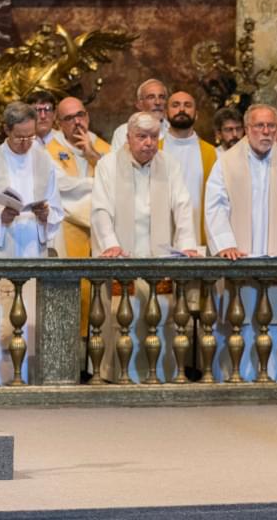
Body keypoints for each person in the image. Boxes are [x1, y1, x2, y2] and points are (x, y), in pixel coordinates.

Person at [205, 104, 277, 381]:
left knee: (275, 319)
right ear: (247, 129)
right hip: (238, 257)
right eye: (259, 126)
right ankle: (233, 377)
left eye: (271, 127)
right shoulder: (226, 162)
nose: (266, 132)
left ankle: (273, 377)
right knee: (236, 320)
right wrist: (225, 244)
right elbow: (215, 207)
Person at [92, 111, 198, 383]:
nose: (149, 143)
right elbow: (101, 209)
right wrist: (111, 245)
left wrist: (187, 245)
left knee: (161, 314)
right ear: (128, 138)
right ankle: (120, 375)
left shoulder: (169, 164)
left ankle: (159, 373)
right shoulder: (108, 165)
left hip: (157, 254)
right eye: (142, 137)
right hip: (122, 254)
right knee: (121, 316)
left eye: (153, 137)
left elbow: (183, 206)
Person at [0, 102, 64, 385]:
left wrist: (47, 214)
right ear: (6, 131)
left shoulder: (43, 159)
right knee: (1, 315)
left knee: (31, 314)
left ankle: (29, 379)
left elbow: (57, 204)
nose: (25, 143)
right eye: (19, 137)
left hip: (32, 244)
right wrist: (1, 217)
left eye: (30, 136)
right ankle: (1, 379)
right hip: (2, 244)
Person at [47, 96, 110, 347]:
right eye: (69, 118)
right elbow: (61, 188)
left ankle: (96, 362)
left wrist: (93, 156)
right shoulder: (48, 150)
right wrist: (97, 186)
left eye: (80, 115)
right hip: (67, 229)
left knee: (99, 299)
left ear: (88, 116)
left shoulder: (103, 149)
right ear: (58, 123)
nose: (77, 122)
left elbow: (117, 184)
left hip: (101, 235)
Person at [160, 91, 218, 249]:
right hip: (161, 237)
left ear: (196, 114)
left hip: (199, 239)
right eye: (175, 105)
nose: (182, 110)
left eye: (187, 105)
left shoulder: (211, 153)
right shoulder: (154, 150)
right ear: (165, 114)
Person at [110, 79, 169, 150]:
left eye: (161, 97)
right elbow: (115, 160)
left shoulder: (174, 132)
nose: (157, 102)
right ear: (139, 105)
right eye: (151, 97)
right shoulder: (123, 131)